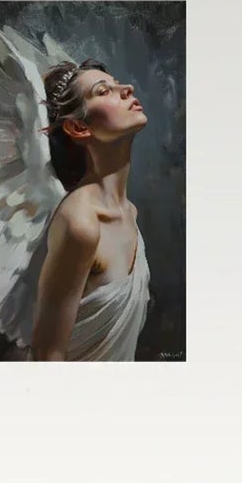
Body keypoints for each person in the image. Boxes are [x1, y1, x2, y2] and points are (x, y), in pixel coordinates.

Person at [29, 60, 152, 362]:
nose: (127, 89)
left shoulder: (130, 214)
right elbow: (48, 355)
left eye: (117, 83)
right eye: (103, 91)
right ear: (78, 127)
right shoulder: (81, 222)